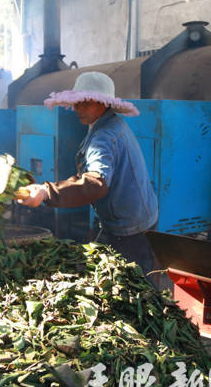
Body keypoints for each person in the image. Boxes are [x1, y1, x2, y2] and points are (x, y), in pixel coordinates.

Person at [17, 71, 159, 278]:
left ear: (104, 103)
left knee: (134, 286)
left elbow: (96, 183)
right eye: (77, 102)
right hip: (136, 216)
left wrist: (46, 192)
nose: (78, 109)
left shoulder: (104, 136)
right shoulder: (109, 124)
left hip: (129, 228)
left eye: (87, 103)